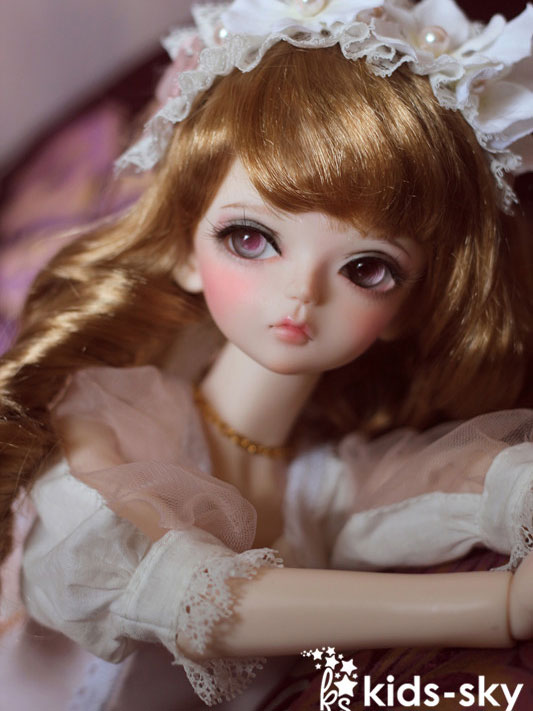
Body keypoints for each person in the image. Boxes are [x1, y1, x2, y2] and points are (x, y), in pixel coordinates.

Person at [2, 0, 533, 707]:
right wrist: (500, 606)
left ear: (408, 307)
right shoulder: (105, 432)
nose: (300, 293)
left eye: (366, 268)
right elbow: (182, 595)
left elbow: (472, 481)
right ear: (184, 247)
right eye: (250, 239)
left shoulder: (317, 485)